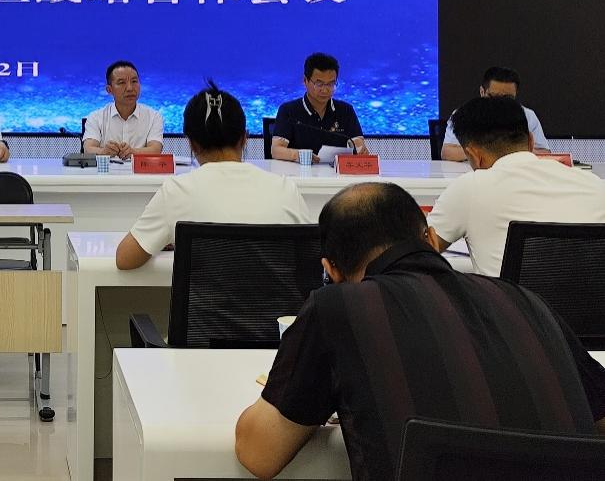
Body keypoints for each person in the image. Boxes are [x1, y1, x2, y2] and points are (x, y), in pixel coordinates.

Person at [235, 182, 605, 481]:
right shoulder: (526, 300)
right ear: (430, 238)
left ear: (331, 270)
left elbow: (260, 454)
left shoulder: (336, 307)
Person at [116, 80, 311, 270]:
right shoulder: (285, 189)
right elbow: (311, 258)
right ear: (245, 138)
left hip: (205, 294)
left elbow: (125, 259)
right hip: (271, 294)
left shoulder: (176, 192)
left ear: (191, 143)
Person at [427, 95, 603, 278]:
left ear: (473, 154)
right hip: (587, 297)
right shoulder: (595, 185)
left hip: (507, 297)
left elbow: (418, 251)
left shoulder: (470, 188)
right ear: (531, 141)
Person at [441, 66, 551, 162]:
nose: (500, 104)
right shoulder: (464, 114)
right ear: (482, 92)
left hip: (514, 172)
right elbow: (447, 152)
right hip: (472, 173)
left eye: (508, 98)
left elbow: (545, 153)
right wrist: (486, 151)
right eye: (495, 97)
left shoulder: (527, 115)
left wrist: (503, 151)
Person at [270, 52, 367, 161]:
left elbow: (358, 144)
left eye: (330, 84)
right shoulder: (288, 111)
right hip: (299, 170)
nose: (325, 90)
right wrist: (299, 155)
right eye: (319, 84)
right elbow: (276, 150)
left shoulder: (346, 110)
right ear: (305, 81)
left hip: (334, 171)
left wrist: (360, 150)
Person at [82, 60, 165, 160]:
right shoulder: (95, 117)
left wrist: (132, 152)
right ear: (109, 90)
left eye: (134, 81)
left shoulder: (154, 117)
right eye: (122, 83)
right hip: (108, 170)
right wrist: (103, 152)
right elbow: (88, 149)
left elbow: (156, 150)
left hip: (140, 170)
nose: (130, 88)